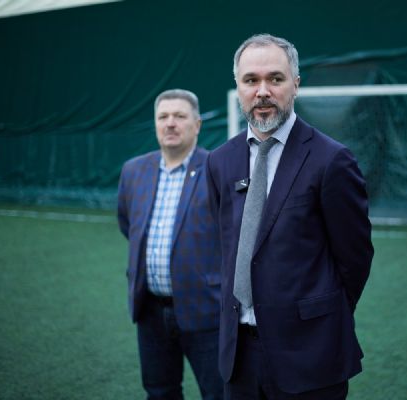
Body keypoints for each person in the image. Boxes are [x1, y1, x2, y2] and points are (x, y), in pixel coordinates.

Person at [206, 34, 374, 399]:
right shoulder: (219, 161)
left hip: (310, 354)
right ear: (238, 87)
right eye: (251, 80)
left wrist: (319, 317)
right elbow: (226, 246)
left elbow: (355, 259)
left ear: (295, 84)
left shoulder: (332, 160)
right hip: (239, 356)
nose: (262, 91)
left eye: (275, 79)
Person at [117, 89, 223, 400]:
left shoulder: (219, 169)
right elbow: (129, 225)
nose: (170, 123)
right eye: (163, 117)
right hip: (151, 311)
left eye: (179, 116)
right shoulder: (133, 170)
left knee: (221, 393)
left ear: (197, 124)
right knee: (160, 392)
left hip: (207, 310)